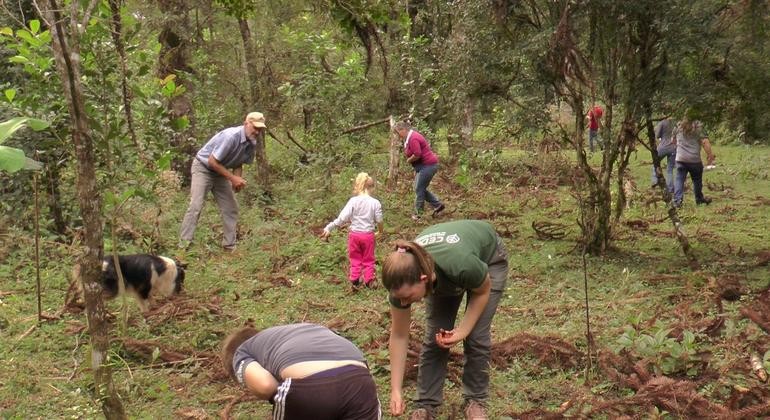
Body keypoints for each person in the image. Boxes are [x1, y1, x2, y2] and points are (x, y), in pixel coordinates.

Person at [382, 220, 509, 420]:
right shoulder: (401, 283)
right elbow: (399, 335)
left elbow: (482, 291)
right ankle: (426, 403)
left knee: (476, 335)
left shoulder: (462, 265)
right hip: (446, 270)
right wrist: (396, 390)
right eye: (399, 298)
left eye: (407, 297)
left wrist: (463, 331)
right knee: (436, 336)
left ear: (424, 279)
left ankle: (476, 400)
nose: (403, 302)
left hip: (487, 260)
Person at [221, 323, 381, 420]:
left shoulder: (241, 352)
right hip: (361, 382)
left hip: (311, 387)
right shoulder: (294, 331)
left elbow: (266, 386)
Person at [179, 112, 266, 251]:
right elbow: (212, 161)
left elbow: (239, 162)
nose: (257, 132)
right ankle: (183, 245)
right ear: (246, 124)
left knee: (231, 208)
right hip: (203, 168)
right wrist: (232, 178)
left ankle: (229, 246)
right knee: (196, 206)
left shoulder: (252, 142)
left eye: (259, 129)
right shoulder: (231, 136)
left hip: (220, 171)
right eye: (255, 127)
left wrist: (237, 180)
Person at [321, 172, 384, 289]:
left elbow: (342, 218)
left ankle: (355, 279)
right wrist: (380, 231)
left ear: (358, 186)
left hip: (354, 235)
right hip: (368, 235)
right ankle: (369, 280)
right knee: (368, 258)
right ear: (371, 187)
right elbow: (379, 220)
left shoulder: (353, 201)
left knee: (355, 258)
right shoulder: (375, 203)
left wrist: (329, 227)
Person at [393, 121, 445, 220]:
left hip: (428, 166)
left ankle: (418, 214)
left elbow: (417, 154)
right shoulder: (409, 137)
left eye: (398, 132)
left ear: (403, 130)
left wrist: (409, 160)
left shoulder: (413, 138)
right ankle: (438, 205)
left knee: (419, 189)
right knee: (418, 188)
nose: (398, 134)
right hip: (423, 167)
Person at [673, 110, 715, 207]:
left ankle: (677, 201)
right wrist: (710, 156)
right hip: (694, 159)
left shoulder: (677, 126)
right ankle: (699, 199)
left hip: (680, 159)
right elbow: (705, 142)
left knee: (679, 179)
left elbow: (673, 140)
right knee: (697, 180)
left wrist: (679, 148)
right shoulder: (698, 127)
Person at [650, 115, 676, 192]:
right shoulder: (674, 123)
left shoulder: (662, 123)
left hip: (663, 147)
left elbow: (657, 135)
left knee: (655, 162)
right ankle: (670, 188)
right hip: (673, 148)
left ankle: (655, 180)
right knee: (670, 169)